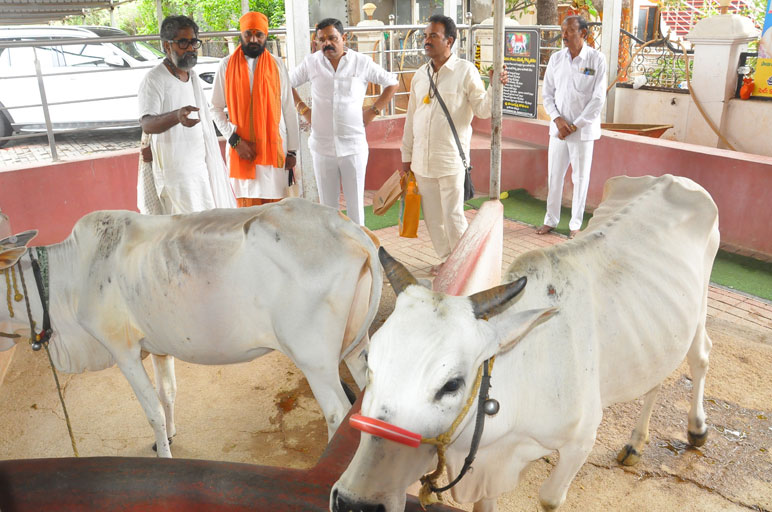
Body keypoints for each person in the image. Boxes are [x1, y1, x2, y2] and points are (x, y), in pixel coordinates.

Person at [400, 14, 507, 268]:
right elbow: (411, 119)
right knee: (434, 219)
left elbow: (482, 110)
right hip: (422, 164)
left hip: (450, 161)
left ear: (449, 40)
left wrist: (493, 87)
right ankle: (447, 261)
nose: (426, 41)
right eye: (425, 36)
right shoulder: (419, 76)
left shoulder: (465, 71)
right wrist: (407, 159)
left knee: (453, 216)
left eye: (433, 36)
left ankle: (464, 267)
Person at [289, 18, 398, 225]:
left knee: (356, 208)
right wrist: (303, 109)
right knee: (328, 210)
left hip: (353, 147)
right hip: (322, 148)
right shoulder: (311, 63)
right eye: (322, 40)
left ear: (344, 38)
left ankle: (361, 254)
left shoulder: (361, 62)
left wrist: (373, 111)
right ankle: (333, 253)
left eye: (332, 38)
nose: (326, 43)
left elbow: (391, 82)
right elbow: (285, 83)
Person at [137, 15, 235, 215]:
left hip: (198, 169)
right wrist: (176, 117)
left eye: (193, 42)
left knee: (204, 227)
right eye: (183, 42)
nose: (190, 48)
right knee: (182, 233)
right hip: (175, 176)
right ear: (167, 46)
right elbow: (147, 124)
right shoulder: (154, 79)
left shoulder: (191, 77)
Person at [211, 11, 298, 207]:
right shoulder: (225, 66)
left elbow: (288, 108)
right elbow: (214, 108)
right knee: (248, 214)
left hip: (274, 151)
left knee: (277, 213)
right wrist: (234, 140)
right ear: (240, 35)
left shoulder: (277, 65)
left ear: (266, 36)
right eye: (248, 34)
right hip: (243, 151)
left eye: (259, 35)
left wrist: (292, 152)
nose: (253, 39)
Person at [537, 15, 606, 239]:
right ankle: (550, 220)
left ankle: (575, 225)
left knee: (580, 178)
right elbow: (547, 94)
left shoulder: (596, 60)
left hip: (582, 132)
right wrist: (558, 120)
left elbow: (597, 100)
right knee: (554, 176)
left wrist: (574, 126)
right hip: (558, 130)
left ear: (583, 33)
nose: (564, 35)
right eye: (563, 30)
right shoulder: (556, 59)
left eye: (569, 31)